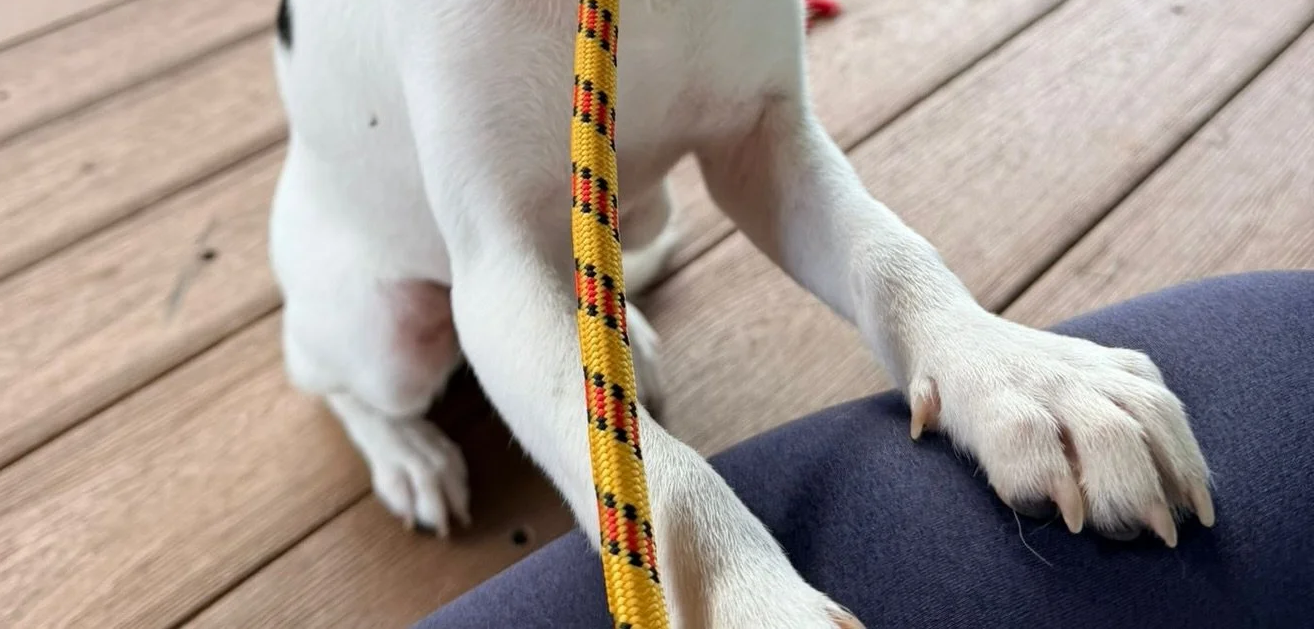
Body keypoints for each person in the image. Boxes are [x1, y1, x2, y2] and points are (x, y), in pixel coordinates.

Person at [418, 273, 1314, 629]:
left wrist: (945, 323)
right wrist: (713, 578)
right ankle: (370, 409)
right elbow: (487, 259)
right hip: (407, 286)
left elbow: (767, 127)